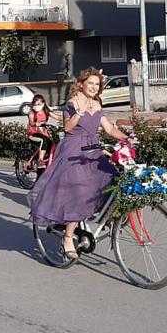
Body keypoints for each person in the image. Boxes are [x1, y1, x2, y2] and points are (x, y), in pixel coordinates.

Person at [29, 68, 130, 259]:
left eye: (97, 84)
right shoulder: (72, 102)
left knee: (113, 179)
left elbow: (108, 129)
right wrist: (78, 113)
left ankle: (109, 219)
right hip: (74, 151)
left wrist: (127, 138)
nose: (93, 87)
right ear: (82, 84)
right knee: (81, 193)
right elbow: (67, 127)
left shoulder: (97, 103)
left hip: (93, 150)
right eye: (90, 83)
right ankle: (68, 237)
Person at [26, 94, 53, 164]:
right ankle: (40, 160)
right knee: (43, 140)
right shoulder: (32, 113)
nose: (37, 106)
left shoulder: (46, 111)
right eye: (35, 104)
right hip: (32, 134)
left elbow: (57, 116)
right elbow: (31, 122)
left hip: (43, 133)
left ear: (43, 104)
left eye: (39, 104)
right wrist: (36, 124)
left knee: (51, 142)